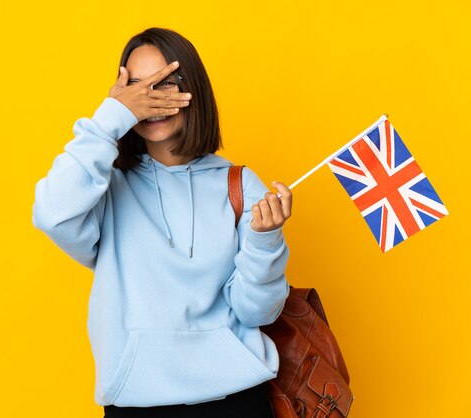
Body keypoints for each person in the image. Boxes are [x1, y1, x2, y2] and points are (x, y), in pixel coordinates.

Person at [32, 27, 292, 418]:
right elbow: (51, 214)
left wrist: (265, 242)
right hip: (137, 401)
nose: (150, 100)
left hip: (236, 399)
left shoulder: (237, 184)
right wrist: (109, 120)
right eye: (137, 87)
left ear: (194, 92)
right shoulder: (103, 189)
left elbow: (257, 312)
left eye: (165, 84)